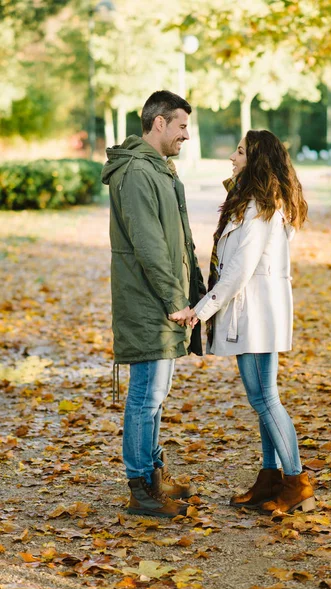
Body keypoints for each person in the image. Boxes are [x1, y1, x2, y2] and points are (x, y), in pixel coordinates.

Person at [188, 130, 316, 514]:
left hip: (256, 313)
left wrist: (200, 311)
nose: (232, 156)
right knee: (263, 399)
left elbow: (239, 270)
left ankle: (296, 482)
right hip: (256, 312)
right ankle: (270, 477)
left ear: (256, 159)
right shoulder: (252, 201)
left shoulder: (260, 206)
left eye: (240, 151)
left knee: (264, 398)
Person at [101, 91, 206, 518]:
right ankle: (141, 486)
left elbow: (177, 241)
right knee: (145, 396)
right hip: (150, 303)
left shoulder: (157, 170)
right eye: (181, 126)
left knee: (155, 395)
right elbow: (149, 245)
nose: (186, 134)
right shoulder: (136, 173)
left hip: (161, 302)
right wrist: (175, 300)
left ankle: (154, 474)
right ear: (158, 123)